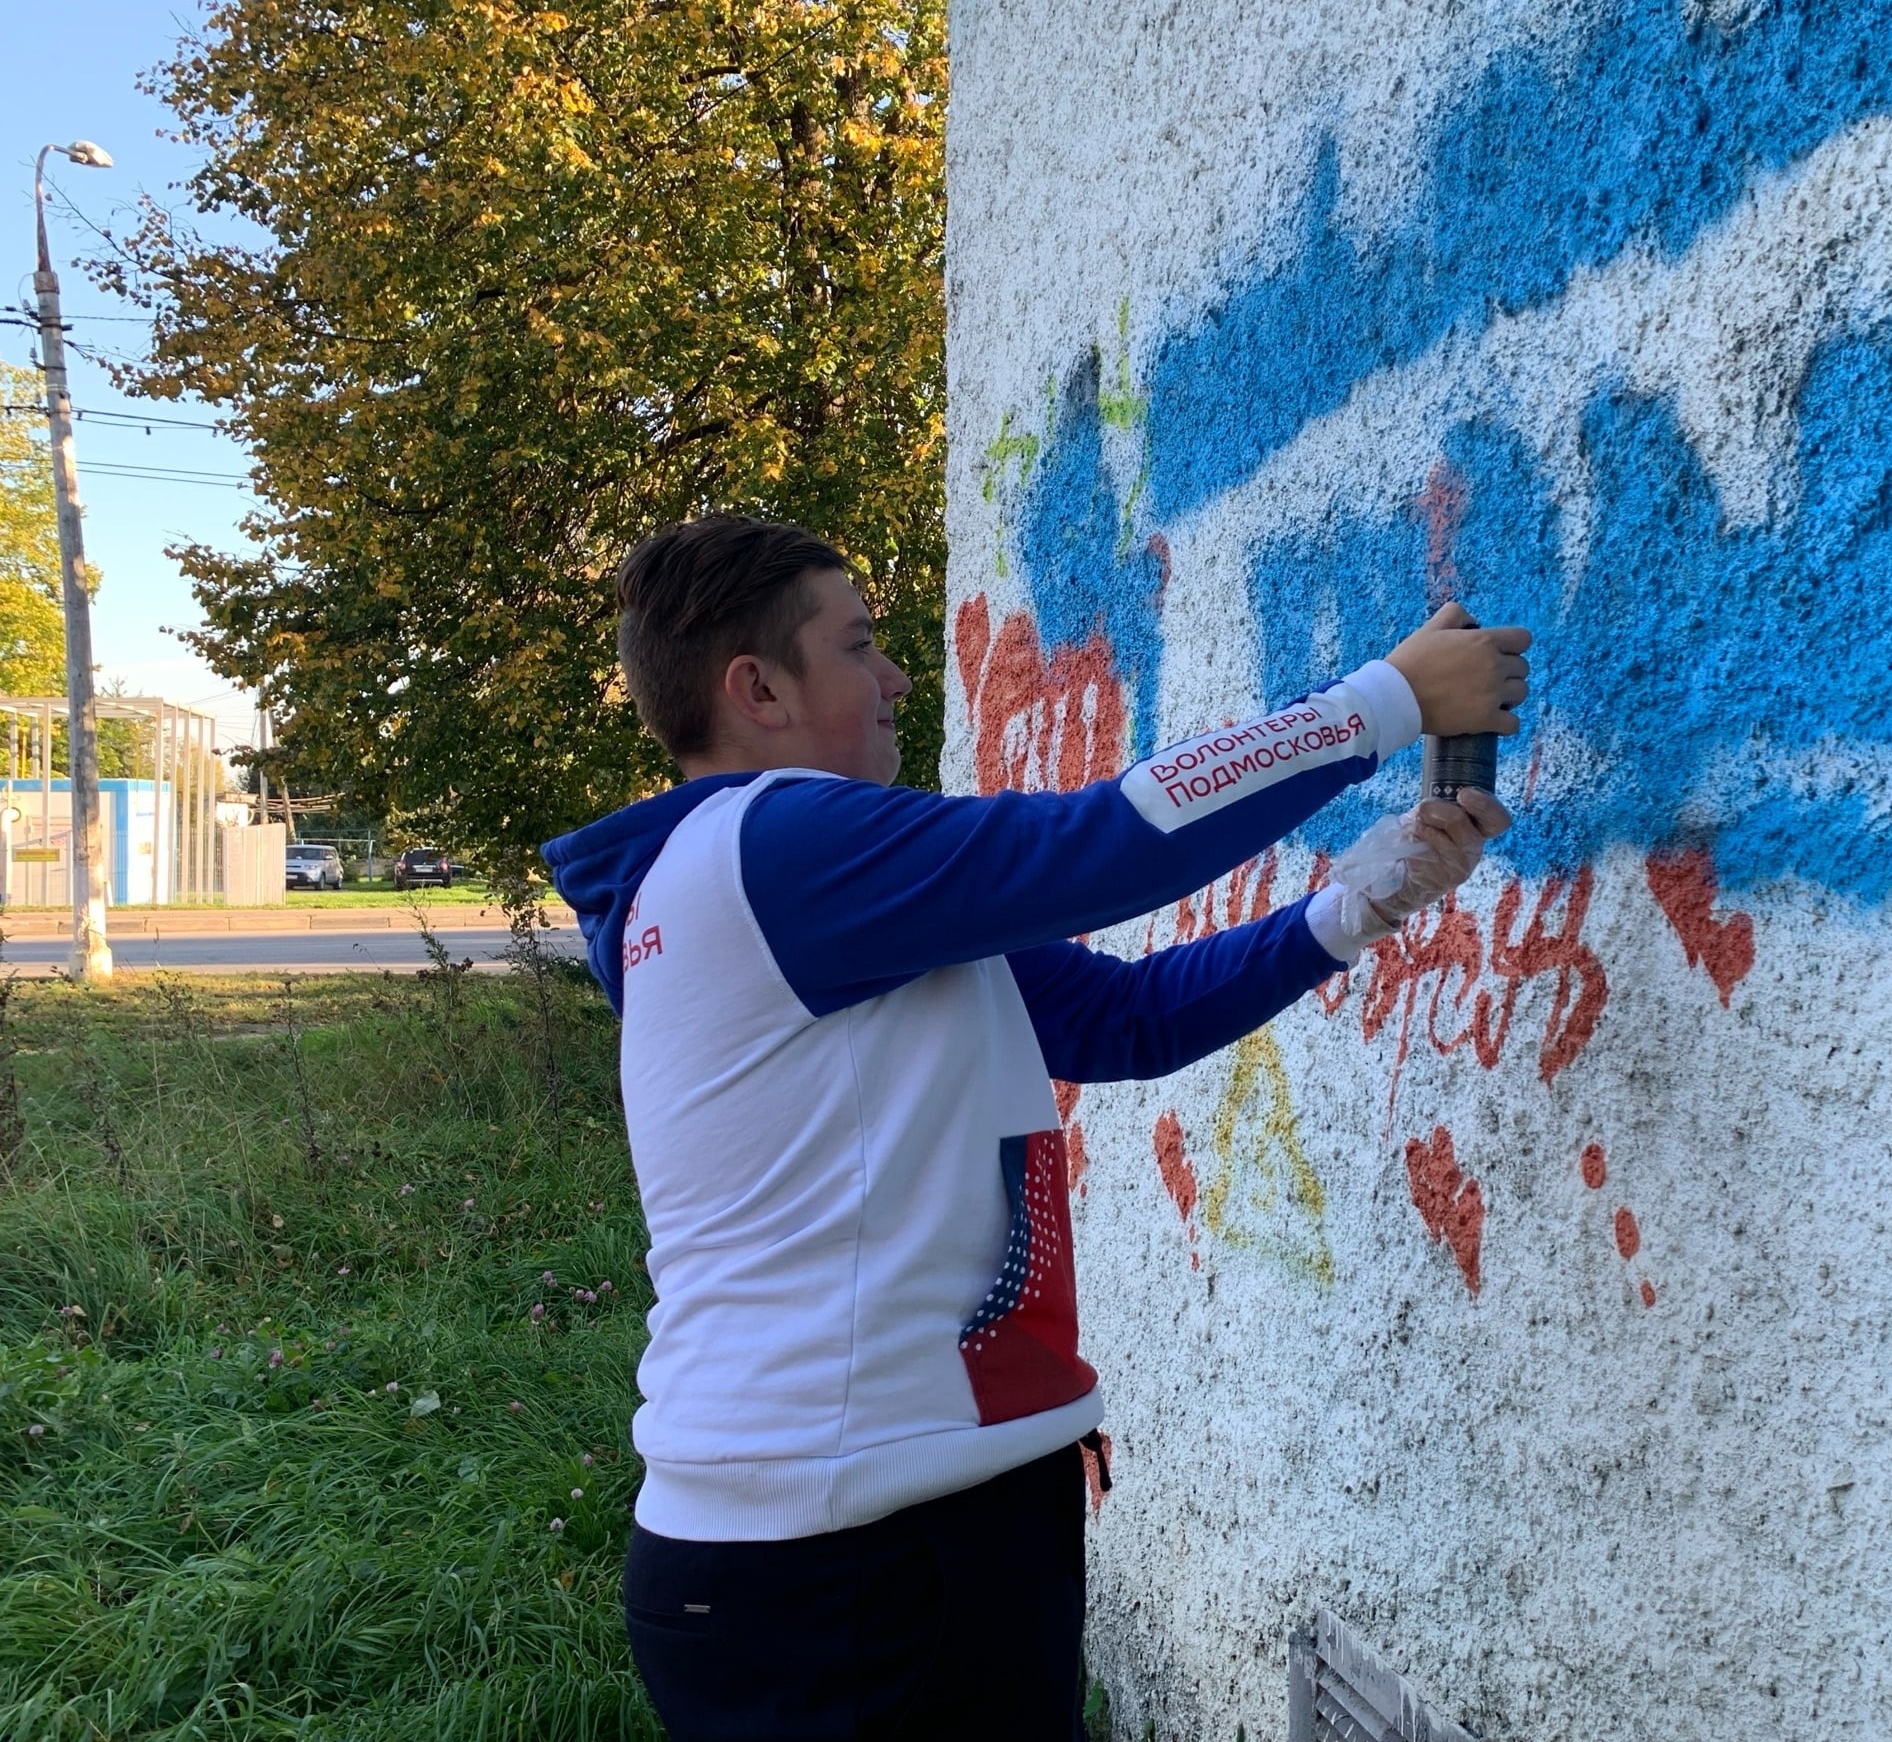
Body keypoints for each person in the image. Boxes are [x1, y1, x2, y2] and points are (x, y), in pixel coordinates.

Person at [542, 515, 1529, 1739]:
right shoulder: (773, 846)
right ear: (759, 690)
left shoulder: (805, 894)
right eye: (857, 646)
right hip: (853, 1556)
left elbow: (1126, 1019)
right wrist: (1383, 703)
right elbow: (1104, 843)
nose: (898, 677)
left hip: (862, 1532)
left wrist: (1355, 905)